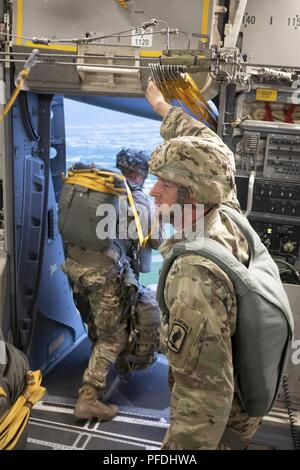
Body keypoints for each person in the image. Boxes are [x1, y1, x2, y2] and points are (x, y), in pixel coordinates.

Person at [145, 79, 263, 449]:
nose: (153, 191)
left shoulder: (195, 274)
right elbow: (213, 147)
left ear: (190, 194)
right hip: (238, 406)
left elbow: (203, 401)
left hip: (219, 427)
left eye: (164, 183)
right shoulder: (224, 205)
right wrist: (163, 109)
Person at [60, 155, 161, 421]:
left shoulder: (97, 188)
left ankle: (98, 365)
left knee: (96, 323)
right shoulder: (136, 200)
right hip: (105, 276)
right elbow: (154, 240)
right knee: (113, 337)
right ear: (141, 174)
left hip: (76, 269)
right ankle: (89, 398)